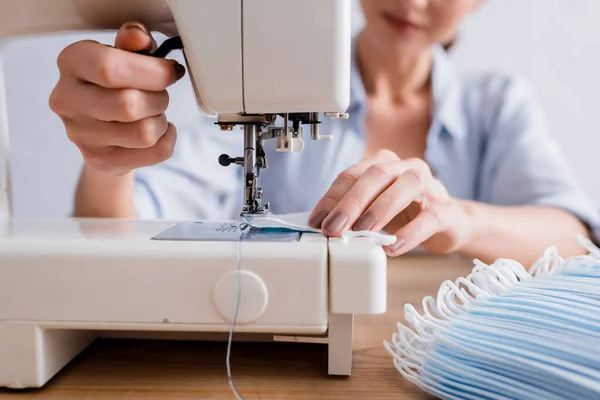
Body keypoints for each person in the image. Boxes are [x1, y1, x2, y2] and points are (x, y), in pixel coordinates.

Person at [48, 0, 598, 266]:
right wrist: (110, 158)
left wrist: (458, 218)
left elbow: (574, 237)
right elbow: (121, 223)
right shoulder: (272, 86)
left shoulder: (495, 103)